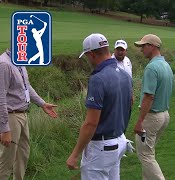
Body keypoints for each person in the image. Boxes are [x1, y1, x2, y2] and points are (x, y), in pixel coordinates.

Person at [66, 33, 133, 180]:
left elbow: (91, 123)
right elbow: (130, 104)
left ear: (91, 54)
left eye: (87, 56)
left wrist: (75, 154)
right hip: (119, 140)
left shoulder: (98, 79)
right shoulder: (125, 75)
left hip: (101, 147)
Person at [0, 48, 58, 180]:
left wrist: (42, 104)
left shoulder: (20, 61)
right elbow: (1, 98)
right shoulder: (4, 64)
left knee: (23, 155)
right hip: (11, 116)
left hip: (23, 114)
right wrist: (4, 128)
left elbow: (26, 86)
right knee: (6, 161)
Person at [133, 34, 174, 180]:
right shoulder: (166, 65)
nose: (141, 50)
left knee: (145, 155)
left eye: (143, 46)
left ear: (152, 46)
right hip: (164, 116)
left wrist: (139, 121)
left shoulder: (151, 68)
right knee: (149, 153)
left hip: (151, 118)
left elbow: (149, 96)